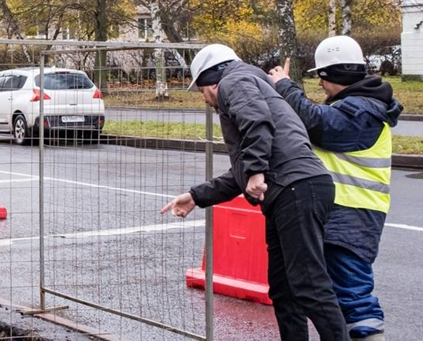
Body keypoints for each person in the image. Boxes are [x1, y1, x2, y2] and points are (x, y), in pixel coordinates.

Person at [161, 44, 348, 341]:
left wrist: (257, 170)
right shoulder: (250, 83)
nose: (206, 100)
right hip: (293, 188)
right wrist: (196, 196)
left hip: (296, 188)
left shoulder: (234, 82)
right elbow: (241, 174)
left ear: (211, 81)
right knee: (284, 288)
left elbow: (256, 122)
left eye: (201, 92)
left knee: (310, 285)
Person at [268, 36, 401, 341]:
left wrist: (286, 87)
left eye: (322, 79)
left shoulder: (364, 110)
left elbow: (317, 123)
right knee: (333, 295)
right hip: (342, 213)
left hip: (353, 216)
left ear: (330, 76)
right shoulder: (357, 105)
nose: (321, 86)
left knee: (353, 297)